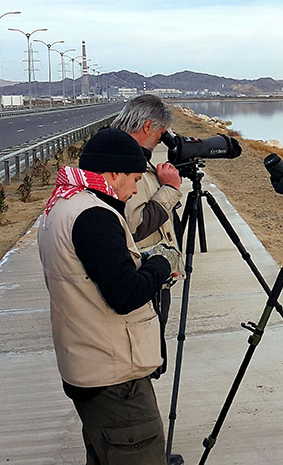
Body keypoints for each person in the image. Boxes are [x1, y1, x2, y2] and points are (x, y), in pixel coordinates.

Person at [38, 128, 184, 464]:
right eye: (133, 179)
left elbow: (92, 275)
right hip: (115, 378)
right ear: (113, 173)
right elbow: (125, 293)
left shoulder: (64, 204)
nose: (135, 190)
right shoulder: (94, 216)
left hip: (88, 365)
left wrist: (140, 263)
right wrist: (161, 265)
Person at [110, 94, 182, 253]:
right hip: (141, 263)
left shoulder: (112, 151)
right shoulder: (124, 162)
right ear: (148, 126)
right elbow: (135, 228)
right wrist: (170, 188)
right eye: (161, 133)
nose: (161, 140)